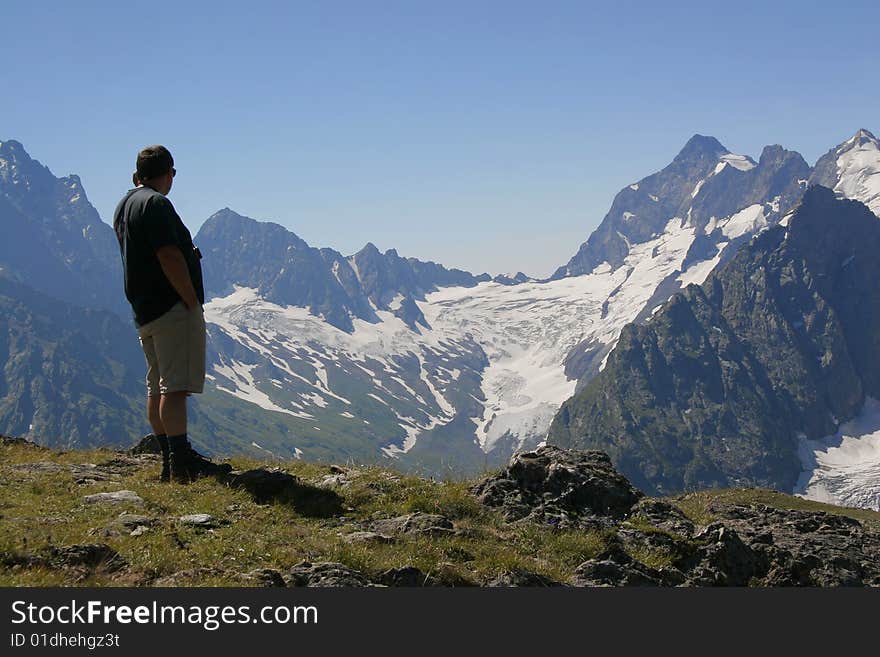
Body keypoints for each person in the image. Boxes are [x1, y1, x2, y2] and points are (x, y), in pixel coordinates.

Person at [113, 145, 229, 483]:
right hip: (171, 307)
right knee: (175, 389)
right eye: (173, 174)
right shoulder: (156, 203)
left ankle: (170, 460)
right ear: (168, 173)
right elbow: (168, 254)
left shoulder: (124, 206)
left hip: (145, 310)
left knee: (157, 386)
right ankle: (181, 464)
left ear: (138, 175)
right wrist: (190, 300)